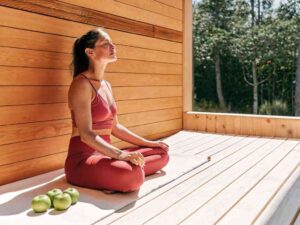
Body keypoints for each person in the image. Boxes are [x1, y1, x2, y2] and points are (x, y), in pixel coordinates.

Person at [64, 27, 170, 193]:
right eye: (106, 44)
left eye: (112, 43)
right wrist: (120, 155)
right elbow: (85, 134)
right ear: (90, 52)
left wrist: (151, 143)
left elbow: (115, 127)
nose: (113, 46)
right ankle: (120, 174)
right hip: (83, 159)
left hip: (107, 155)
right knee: (131, 175)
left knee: (161, 153)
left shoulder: (106, 85)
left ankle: (114, 175)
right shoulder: (81, 84)